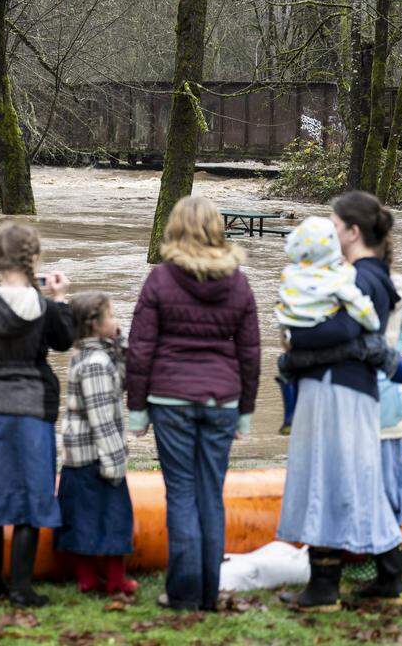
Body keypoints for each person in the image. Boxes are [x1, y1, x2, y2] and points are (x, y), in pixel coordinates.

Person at [125, 195, 260, 611]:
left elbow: (141, 348)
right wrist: (246, 410)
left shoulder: (161, 280)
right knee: (210, 495)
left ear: (175, 229)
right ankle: (207, 592)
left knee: (181, 494)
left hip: (170, 399)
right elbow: (250, 351)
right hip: (221, 400)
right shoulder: (237, 281)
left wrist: (137, 409)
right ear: (218, 229)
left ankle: (183, 593)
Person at [276, 190, 402, 612]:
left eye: (333, 227)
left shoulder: (362, 278)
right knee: (347, 479)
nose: (329, 235)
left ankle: (325, 587)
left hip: (337, 389)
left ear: (352, 232)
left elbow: (342, 332)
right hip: (345, 387)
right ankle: (382, 579)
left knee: (325, 479)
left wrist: (295, 343)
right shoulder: (364, 274)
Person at [0, 223, 73, 608]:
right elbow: (65, 340)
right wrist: (59, 298)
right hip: (35, 410)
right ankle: (21, 587)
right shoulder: (43, 306)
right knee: (32, 496)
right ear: (33, 259)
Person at [273, 216, 402, 433]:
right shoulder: (338, 278)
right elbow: (358, 305)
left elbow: (282, 309)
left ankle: (290, 415)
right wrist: (372, 322)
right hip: (341, 366)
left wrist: (289, 334)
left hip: (297, 351)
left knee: (286, 367)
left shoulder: (291, 275)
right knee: (376, 349)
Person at [54, 291, 137, 596]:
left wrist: (121, 340)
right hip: (97, 457)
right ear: (93, 323)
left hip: (82, 456)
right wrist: (115, 460)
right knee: (112, 518)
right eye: (112, 316)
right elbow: (102, 416)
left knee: (84, 518)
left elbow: (125, 378)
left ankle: (89, 577)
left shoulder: (92, 355)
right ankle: (112, 580)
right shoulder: (97, 363)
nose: (116, 321)